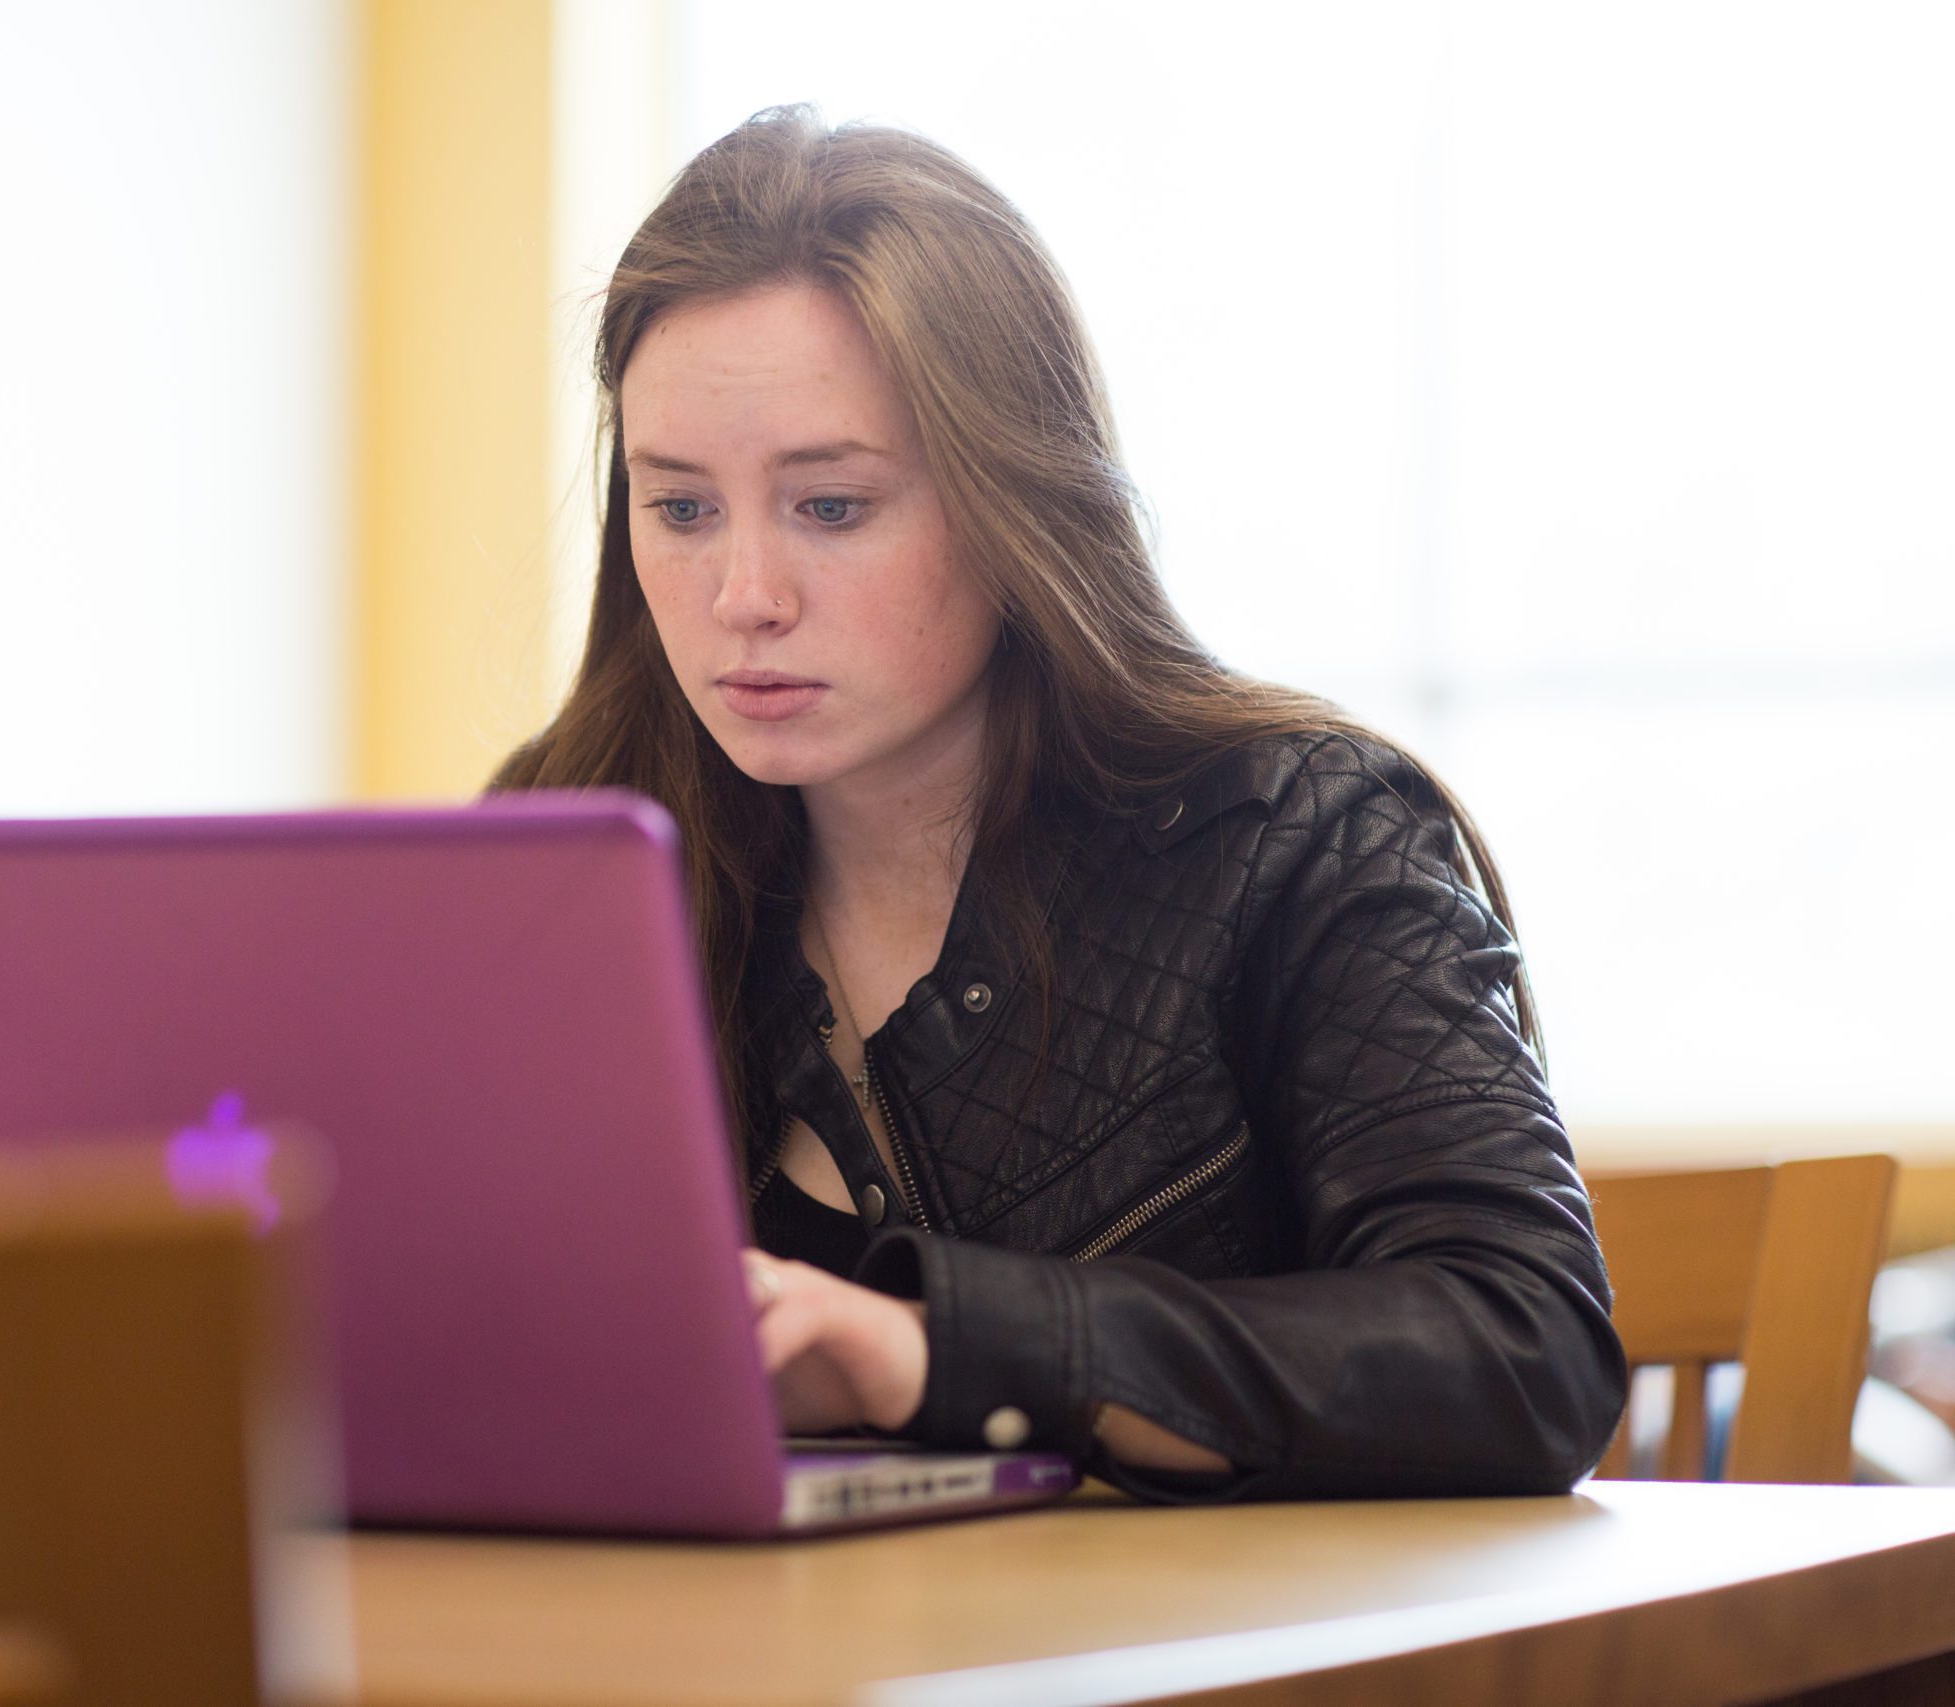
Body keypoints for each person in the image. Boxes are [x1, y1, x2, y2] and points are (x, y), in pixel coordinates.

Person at [492, 107, 1626, 1499]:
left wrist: (936, 1352)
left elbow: (1525, 1353)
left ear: (1011, 495)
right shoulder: (561, 848)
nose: (744, 599)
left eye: (832, 507)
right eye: (679, 509)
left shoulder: (1299, 837)